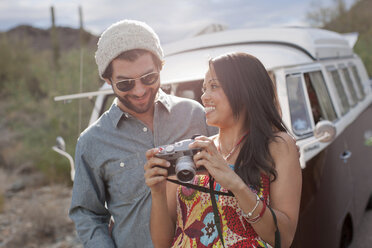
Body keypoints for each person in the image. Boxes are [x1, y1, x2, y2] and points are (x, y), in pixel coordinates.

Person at [69, 20, 216, 248]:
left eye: (149, 78)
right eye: (125, 84)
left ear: (161, 67)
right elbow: (88, 215)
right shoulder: (91, 142)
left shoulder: (194, 114)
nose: (139, 91)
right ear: (108, 80)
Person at [144, 52, 302, 247]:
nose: (204, 96)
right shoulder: (191, 151)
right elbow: (162, 244)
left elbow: (284, 238)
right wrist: (157, 193)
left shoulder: (278, 146)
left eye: (214, 86)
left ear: (244, 91)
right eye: (204, 88)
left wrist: (235, 183)